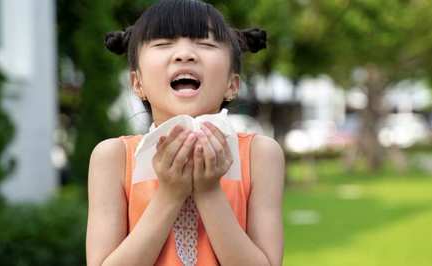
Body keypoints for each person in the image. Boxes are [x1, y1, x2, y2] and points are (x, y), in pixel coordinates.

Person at [85, 0, 285, 265]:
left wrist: (210, 190)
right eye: (163, 44)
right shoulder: (113, 158)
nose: (185, 54)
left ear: (232, 85)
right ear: (138, 83)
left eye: (206, 44)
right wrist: (170, 194)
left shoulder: (260, 156)